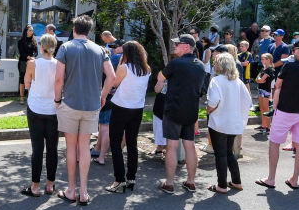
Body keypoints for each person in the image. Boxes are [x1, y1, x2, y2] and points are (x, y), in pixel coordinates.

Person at [53, 15, 115, 204]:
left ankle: (71, 190)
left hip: (70, 103)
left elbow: (58, 79)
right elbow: (111, 77)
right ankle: (84, 192)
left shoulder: (65, 47)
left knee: (71, 147)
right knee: (84, 147)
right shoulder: (100, 49)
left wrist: (57, 100)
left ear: (74, 30)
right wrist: (102, 95)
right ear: (89, 31)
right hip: (91, 105)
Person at [256, 39, 299, 191]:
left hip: (285, 111)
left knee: (274, 143)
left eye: (295, 50)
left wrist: (275, 108)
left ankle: (271, 179)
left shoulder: (289, 66)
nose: (293, 52)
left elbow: (278, 87)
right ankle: (294, 180)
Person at [154, 34, 205, 193]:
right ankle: (191, 182)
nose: (174, 46)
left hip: (173, 110)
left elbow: (159, 81)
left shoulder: (175, 64)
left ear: (186, 47)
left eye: (177, 44)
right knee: (189, 145)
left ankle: (169, 183)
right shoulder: (201, 65)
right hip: (191, 111)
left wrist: (159, 85)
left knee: (172, 145)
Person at [105, 40, 150, 193]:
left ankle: (119, 180)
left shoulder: (124, 67)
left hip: (121, 108)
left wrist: (121, 63)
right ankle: (131, 178)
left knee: (116, 144)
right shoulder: (146, 69)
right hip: (137, 109)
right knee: (132, 144)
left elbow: (115, 84)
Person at [205, 53, 251, 193]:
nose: (213, 64)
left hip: (219, 122)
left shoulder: (216, 80)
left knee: (220, 154)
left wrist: (209, 110)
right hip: (234, 123)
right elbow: (248, 102)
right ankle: (236, 181)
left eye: (215, 62)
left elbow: (213, 101)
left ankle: (222, 185)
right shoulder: (238, 81)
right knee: (228, 152)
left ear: (220, 65)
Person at [21, 34, 59, 197]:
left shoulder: (32, 63)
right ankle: (50, 185)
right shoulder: (59, 64)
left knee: (37, 149)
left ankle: (35, 187)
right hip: (53, 110)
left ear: (41, 47)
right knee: (52, 149)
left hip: (35, 108)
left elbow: (27, 83)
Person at [16, 25, 37, 104]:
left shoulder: (33, 41)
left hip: (31, 62)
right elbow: (21, 52)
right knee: (22, 79)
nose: (32, 32)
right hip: (23, 62)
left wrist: (33, 57)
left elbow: (36, 52)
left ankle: (30, 97)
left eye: (32, 30)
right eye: (30, 30)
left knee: (31, 80)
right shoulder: (20, 41)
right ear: (26, 31)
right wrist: (28, 57)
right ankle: (21, 98)